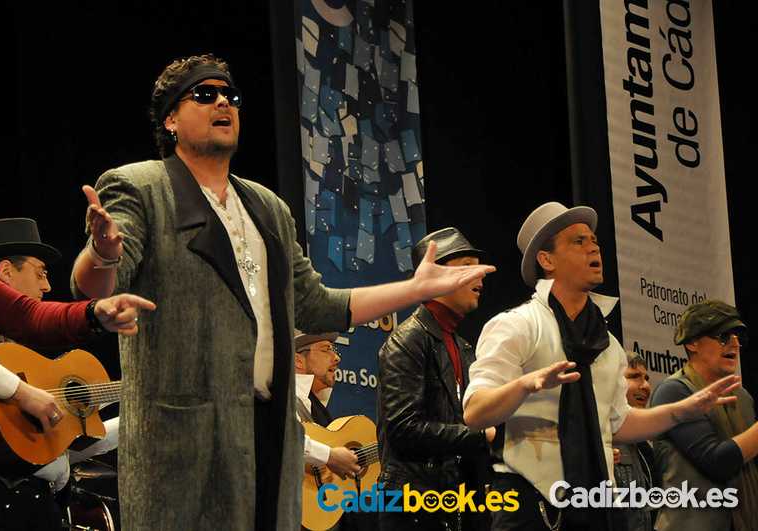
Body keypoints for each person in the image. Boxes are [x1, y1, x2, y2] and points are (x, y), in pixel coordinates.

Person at [69, 53, 495, 531]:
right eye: (204, 94)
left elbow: (319, 305)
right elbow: (96, 285)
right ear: (170, 119)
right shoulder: (140, 186)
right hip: (185, 442)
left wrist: (415, 288)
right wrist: (102, 252)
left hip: (269, 434)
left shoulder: (267, 207)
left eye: (230, 96)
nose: (223, 103)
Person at [462, 202, 740, 531]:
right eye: (578, 241)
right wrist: (524, 385)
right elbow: (475, 412)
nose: (594, 247)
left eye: (594, 240)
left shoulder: (608, 345)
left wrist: (682, 410)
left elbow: (618, 423)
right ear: (547, 260)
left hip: (596, 507)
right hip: (528, 507)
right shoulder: (517, 326)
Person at [0, 218, 122, 531]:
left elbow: (55, 450)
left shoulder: (16, 352)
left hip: (28, 502)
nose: (47, 286)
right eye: (40, 272)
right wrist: (22, 392)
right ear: (6, 272)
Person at [376, 227, 494, 531]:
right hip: (414, 509)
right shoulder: (408, 340)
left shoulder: (463, 346)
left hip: (455, 503)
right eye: (467, 267)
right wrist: (482, 436)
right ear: (435, 276)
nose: (480, 277)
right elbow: (404, 429)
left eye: (479, 267)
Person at [650, 300, 758, 531]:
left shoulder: (744, 398)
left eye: (738, 337)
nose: (735, 343)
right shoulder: (675, 392)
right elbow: (717, 461)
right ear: (692, 343)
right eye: (723, 336)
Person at [294, 330, 360, 480]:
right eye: (326, 349)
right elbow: (285, 439)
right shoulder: (284, 400)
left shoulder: (315, 406)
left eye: (334, 350)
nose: (337, 358)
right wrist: (330, 456)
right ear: (298, 361)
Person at [612, 351, 658, 531]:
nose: (646, 386)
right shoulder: (598, 439)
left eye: (646, 378)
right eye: (634, 377)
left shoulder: (644, 447)